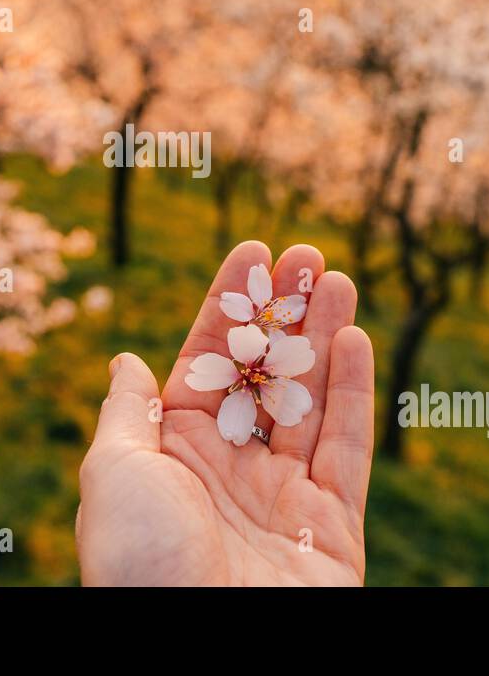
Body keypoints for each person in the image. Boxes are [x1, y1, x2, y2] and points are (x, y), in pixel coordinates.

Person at [76, 241, 376, 585]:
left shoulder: (269, 350)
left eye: (256, 374)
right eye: (252, 373)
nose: (253, 375)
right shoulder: (249, 344)